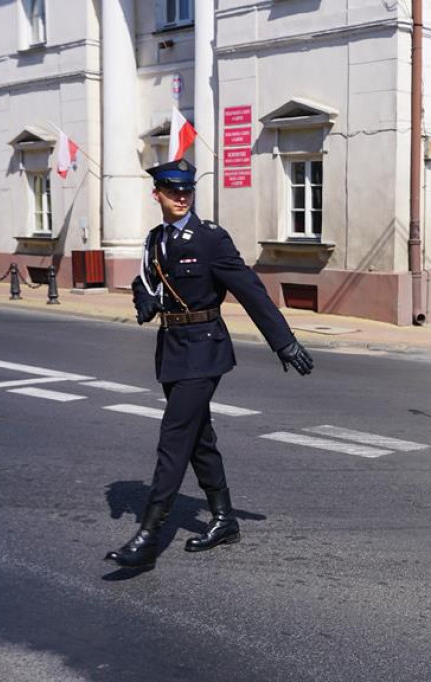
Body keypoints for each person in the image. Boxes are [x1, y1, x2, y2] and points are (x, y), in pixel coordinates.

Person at [106, 160, 315, 570]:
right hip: (172, 348)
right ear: (158, 195)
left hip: (204, 349)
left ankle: (148, 536)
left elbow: (250, 290)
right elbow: (145, 279)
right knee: (199, 438)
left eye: (187, 191)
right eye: (172, 190)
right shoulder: (155, 239)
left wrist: (283, 342)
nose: (181, 197)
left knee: (174, 437)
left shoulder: (210, 239)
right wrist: (143, 301)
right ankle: (224, 520)